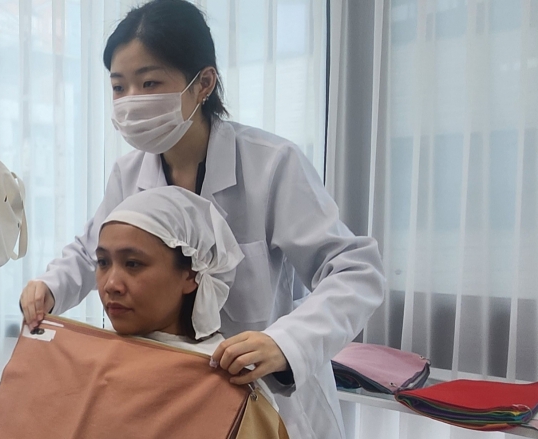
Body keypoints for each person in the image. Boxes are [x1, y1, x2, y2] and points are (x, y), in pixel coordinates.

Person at [20, 1, 385, 437]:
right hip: (174, 390)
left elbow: (356, 271)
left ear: (203, 83)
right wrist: (50, 287)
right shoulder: (129, 173)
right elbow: (91, 251)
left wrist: (285, 342)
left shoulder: (272, 165)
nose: (131, 101)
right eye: (119, 87)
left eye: (149, 82)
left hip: (266, 399)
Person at [95, 186, 280, 414]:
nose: (111, 285)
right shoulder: (90, 363)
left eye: (133, 264)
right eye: (102, 262)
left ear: (191, 275)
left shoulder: (228, 385)